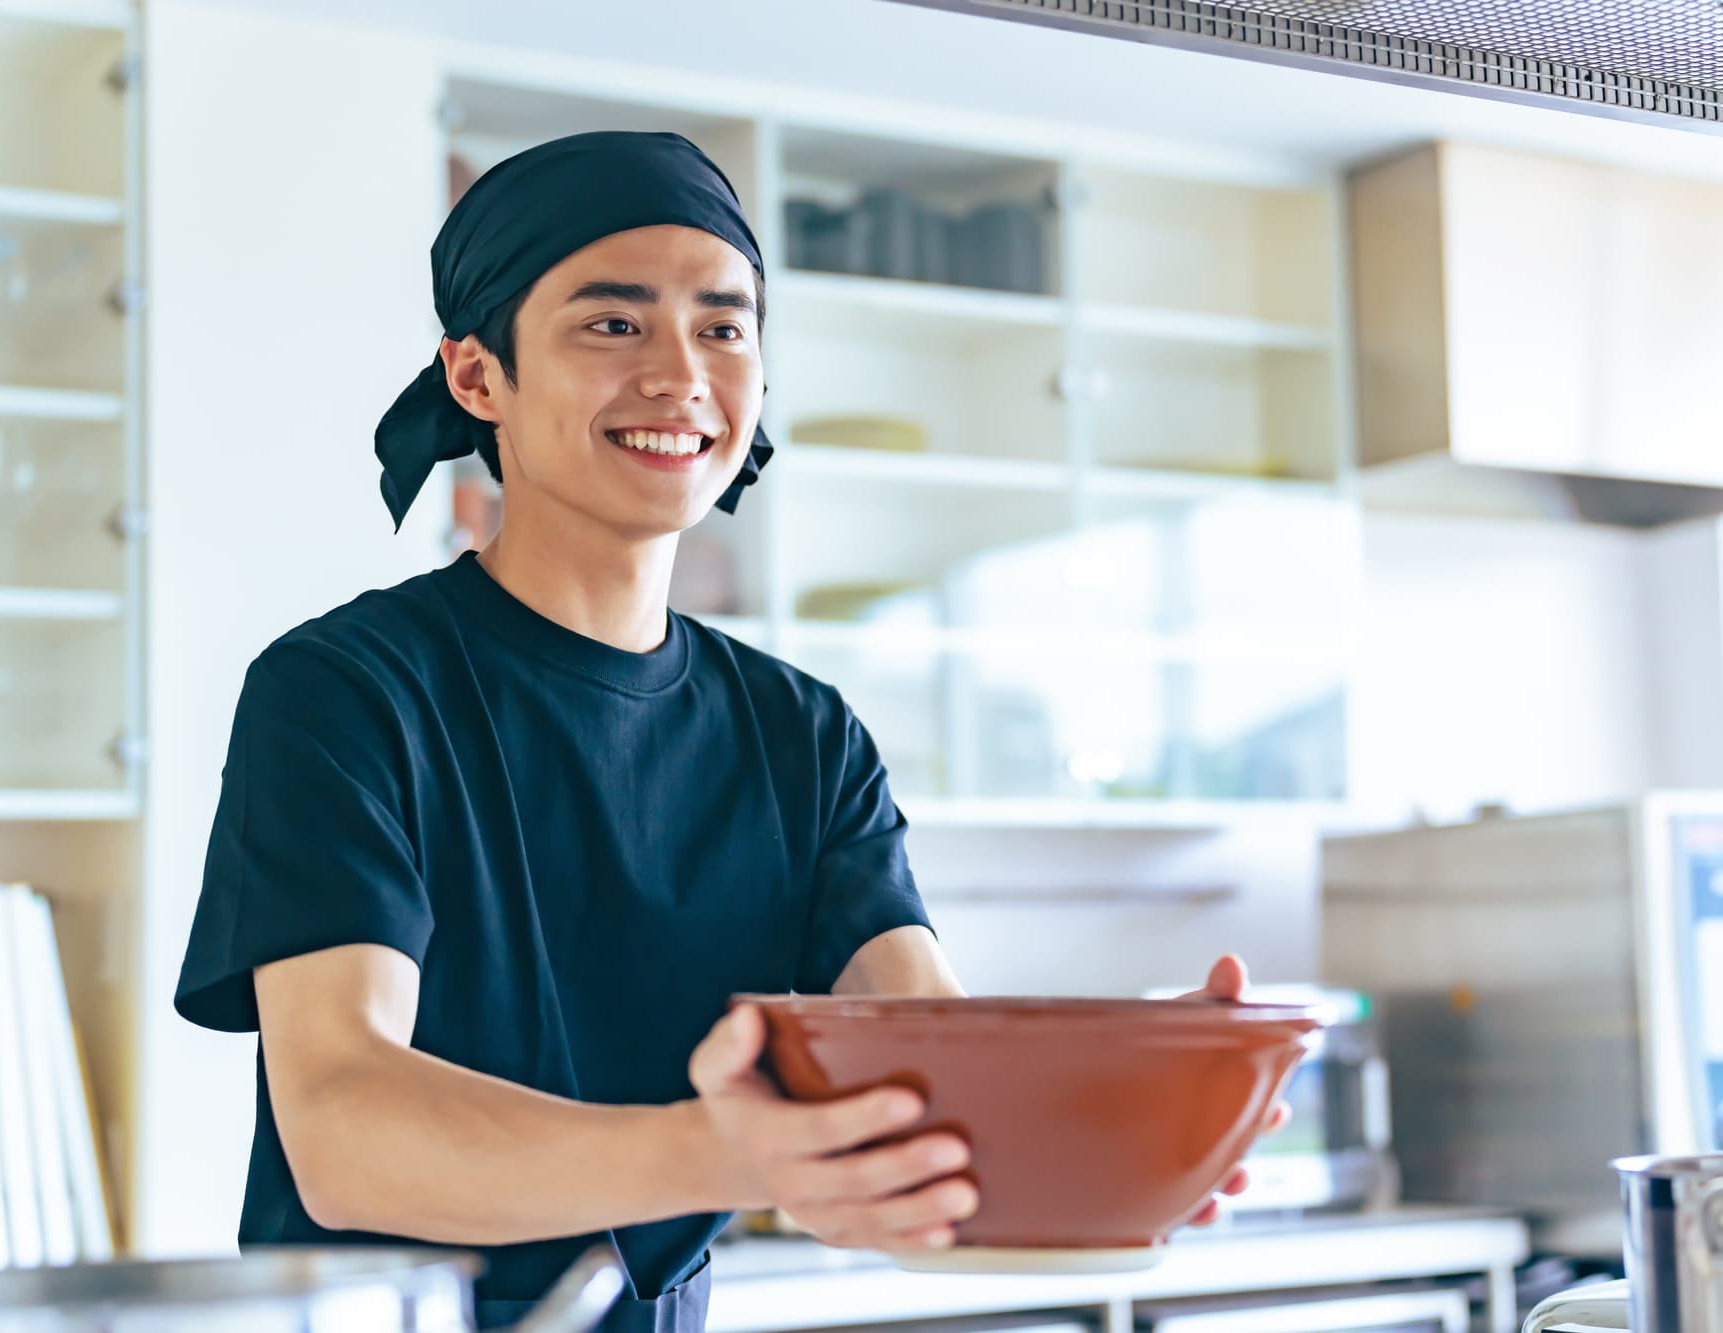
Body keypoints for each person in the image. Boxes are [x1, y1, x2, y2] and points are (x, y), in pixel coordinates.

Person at [173, 131, 1275, 1332]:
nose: (681, 375)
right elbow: (345, 1130)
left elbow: (928, 1068)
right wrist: (733, 1155)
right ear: (478, 377)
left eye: (723, 327)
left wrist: (1143, 1101)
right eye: (613, 324)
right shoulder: (346, 692)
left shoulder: (802, 736)